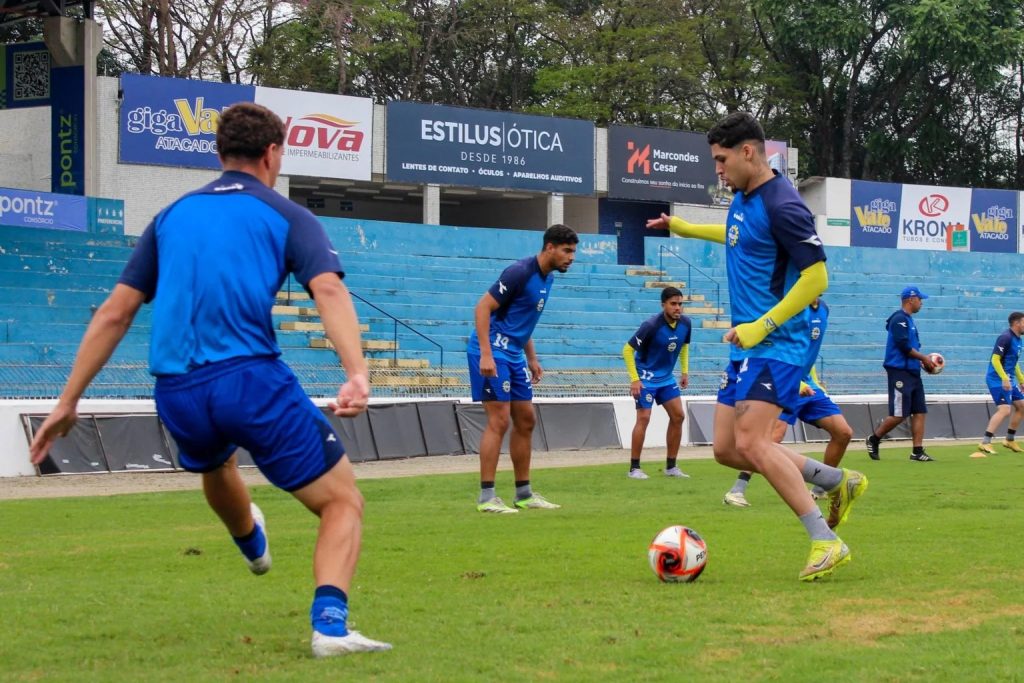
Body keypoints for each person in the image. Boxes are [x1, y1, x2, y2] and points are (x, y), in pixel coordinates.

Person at [27, 103, 390, 658]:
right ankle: (331, 628)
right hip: (249, 380)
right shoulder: (286, 214)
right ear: (272, 153)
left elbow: (115, 313)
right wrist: (356, 373)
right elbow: (329, 290)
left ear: (219, 154)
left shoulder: (169, 217)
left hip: (177, 391)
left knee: (217, 464)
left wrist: (67, 400)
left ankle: (251, 543)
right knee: (342, 501)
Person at [646, 111, 867, 582]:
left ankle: (826, 540)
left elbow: (817, 278)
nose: (718, 170)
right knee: (728, 449)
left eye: (721, 160)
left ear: (748, 152)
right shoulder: (744, 198)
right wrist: (684, 227)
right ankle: (836, 480)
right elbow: (735, 236)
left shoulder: (784, 204)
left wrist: (762, 326)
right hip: (746, 346)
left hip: (777, 343)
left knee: (752, 441)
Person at [467, 224, 578, 513]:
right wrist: (486, 354)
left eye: (573, 252)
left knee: (526, 419)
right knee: (499, 420)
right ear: (549, 247)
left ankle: (524, 494)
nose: (571, 257)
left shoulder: (547, 278)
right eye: (567, 251)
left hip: (514, 354)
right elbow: (482, 308)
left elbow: (523, 321)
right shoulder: (519, 272)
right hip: (492, 350)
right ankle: (487, 497)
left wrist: (532, 357)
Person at [724, 298, 855, 518]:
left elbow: (808, 351)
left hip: (808, 384)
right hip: (785, 378)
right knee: (769, 440)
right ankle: (737, 489)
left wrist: (812, 381)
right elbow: (779, 345)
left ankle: (821, 487)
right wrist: (796, 382)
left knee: (843, 432)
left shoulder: (823, 309)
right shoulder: (791, 307)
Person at [623, 286, 692, 479]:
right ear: (663, 305)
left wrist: (684, 371)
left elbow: (684, 346)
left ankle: (671, 467)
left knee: (678, 416)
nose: (677, 308)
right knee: (644, 418)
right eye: (673, 304)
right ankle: (634, 468)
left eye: (680, 304)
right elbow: (627, 350)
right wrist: (635, 379)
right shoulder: (651, 325)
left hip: (666, 378)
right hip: (646, 379)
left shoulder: (686, 323)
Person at [865, 286, 938, 461]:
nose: (921, 303)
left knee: (919, 411)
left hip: (912, 371)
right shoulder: (899, 319)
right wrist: (924, 358)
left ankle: (917, 451)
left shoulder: (909, 320)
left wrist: (923, 363)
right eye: (920, 299)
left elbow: (912, 347)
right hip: (899, 372)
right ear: (911, 299)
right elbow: (904, 346)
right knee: (899, 414)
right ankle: (874, 438)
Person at [977, 311, 1024, 455]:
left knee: (1022, 406)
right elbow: (995, 359)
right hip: (996, 379)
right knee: (1005, 410)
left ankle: (1009, 439)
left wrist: (1021, 380)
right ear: (1016, 323)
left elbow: (1013, 362)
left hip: (1008, 379)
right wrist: (1004, 378)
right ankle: (985, 442)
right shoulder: (1005, 337)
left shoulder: (1019, 340)